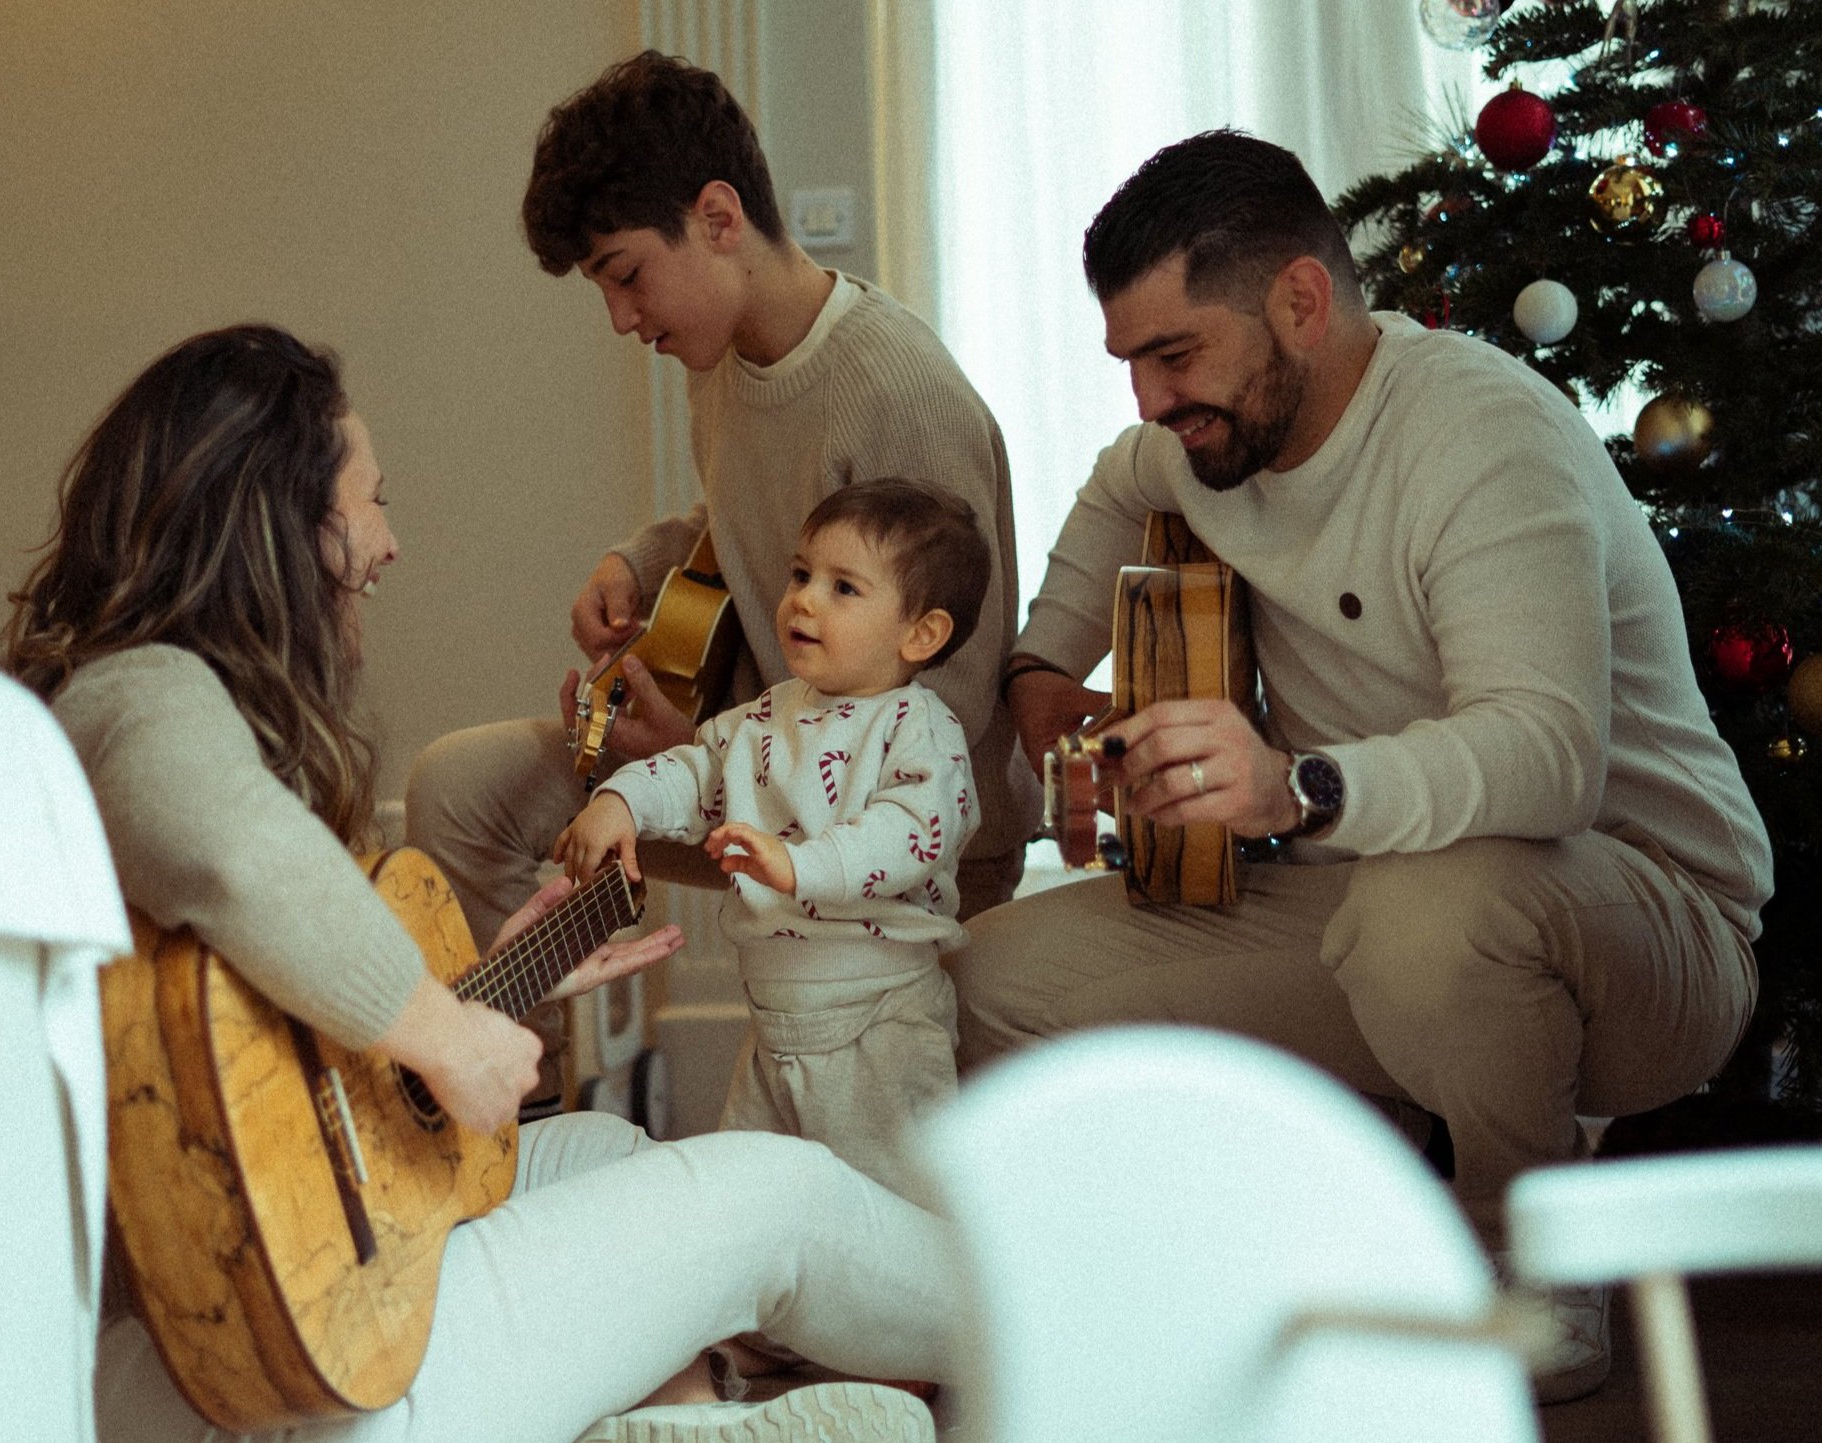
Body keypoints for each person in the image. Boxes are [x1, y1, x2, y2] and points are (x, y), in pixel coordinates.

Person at [0, 323, 950, 1443]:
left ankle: (679, 1420)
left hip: (292, 1297)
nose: (391, 544)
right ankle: (1060, 1327)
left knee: (614, 1154)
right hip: (273, 1374)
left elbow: (276, 1081)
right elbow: (236, 852)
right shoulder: (132, 696)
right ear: (282, 529)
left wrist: (492, 990)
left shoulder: (146, 701)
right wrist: (443, 1033)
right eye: (373, 502)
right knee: (775, 1196)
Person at [950, 130, 1770, 1403]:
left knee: (1428, 912)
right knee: (989, 984)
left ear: (1299, 301)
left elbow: (1548, 756)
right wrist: (1048, 702)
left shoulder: (1481, 436)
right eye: (1130, 364)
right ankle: (1221, 1264)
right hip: (1364, 898)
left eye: (1175, 355)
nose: (1149, 401)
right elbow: (1066, 596)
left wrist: (1291, 786)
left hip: (1647, 922)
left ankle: (1533, 1264)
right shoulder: (1184, 448)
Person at [405, 50, 1037, 979]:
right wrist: (637, 562)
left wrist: (718, 754)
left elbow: (947, 698)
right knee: (460, 788)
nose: (621, 319)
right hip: (756, 756)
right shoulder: (723, 369)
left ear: (717, 218)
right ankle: (501, 1098)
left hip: (904, 835)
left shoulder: (900, 395)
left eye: (627, 276)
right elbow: (741, 509)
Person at [558, 479, 987, 1205]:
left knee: (886, 1207)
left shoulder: (920, 729)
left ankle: (892, 1316)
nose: (804, 599)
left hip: (878, 1020)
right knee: (756, 1199)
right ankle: (764, 1319)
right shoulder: (764, 717)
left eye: (843, 587)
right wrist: (622, 798)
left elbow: (911, 832)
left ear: (921, 633)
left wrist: (799, 863)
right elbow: (696, 771)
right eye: (800, 575)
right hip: (772, 1019)